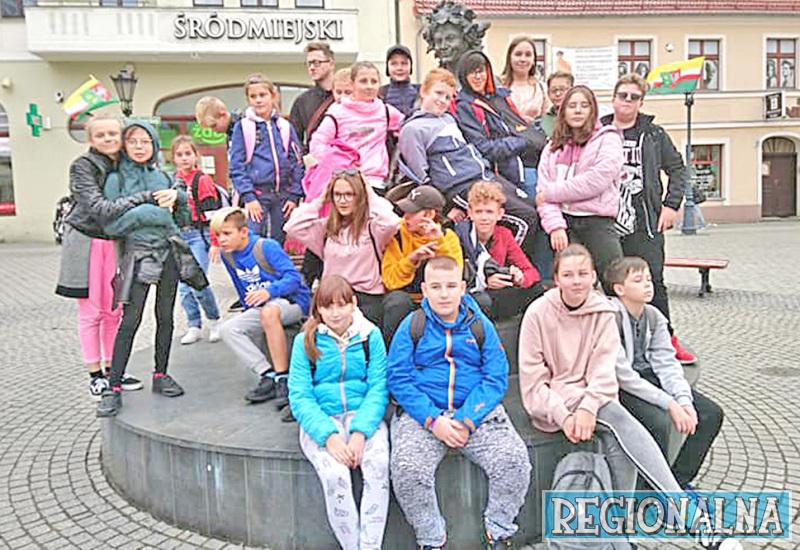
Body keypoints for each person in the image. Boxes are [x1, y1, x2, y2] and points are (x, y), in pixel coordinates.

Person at [388, 255, 531, 549]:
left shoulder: (479, 325)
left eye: (451, 286)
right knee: (407, 469)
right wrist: (433, 420)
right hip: (425, 416)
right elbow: (398, 378)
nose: (444, 294)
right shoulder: (412, 325)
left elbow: (496, 376)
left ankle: (499, 531)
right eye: (436, 287)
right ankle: (431, 538)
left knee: (514, 461)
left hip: (476, 414)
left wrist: (467, 419)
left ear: (463, 288)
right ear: (424, 290)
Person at [518, 244, 684, 497]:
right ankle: (680, 506)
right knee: (621, 422)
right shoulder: (537, 313)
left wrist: (587, 407)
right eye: (568, 275)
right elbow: (533, 383)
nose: (576, 281)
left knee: (620, 434)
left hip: (595, 398)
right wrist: (563, 416)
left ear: (593, 276)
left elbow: (603, 372)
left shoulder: (604, 312)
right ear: (556, 279)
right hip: (555, 400)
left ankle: (624, 517)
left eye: (583, 274)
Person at [288, 275, 390, 550]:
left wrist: (360, 433)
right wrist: (329, 436)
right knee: (335, 475)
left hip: (363, 415)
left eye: (341, 305)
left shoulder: (371, 336)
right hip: (323, 419)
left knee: (378, 466)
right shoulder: (304, 341)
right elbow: (300, 395)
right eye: (327, 306)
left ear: (353, 304)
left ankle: (370, 546)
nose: (335, 313)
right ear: (318, 309)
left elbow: (378, 387)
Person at [398, 67, 541, 262]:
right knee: (526, 219)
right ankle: (502, 270)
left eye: (448, 97)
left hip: (484, 176)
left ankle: (505, 266)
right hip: (461, 186)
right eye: (438, 93)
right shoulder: (413, 129)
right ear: (424, 91)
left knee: (532, 207)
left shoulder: (448, 118)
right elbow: (421, 176)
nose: (443, 100)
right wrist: (446, 209)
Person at [96, 121, 190, 417]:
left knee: (166, 317)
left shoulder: (164, 176)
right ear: (124, 145)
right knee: (130, 320)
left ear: (154, 144)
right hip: (137, 254)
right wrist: (149, 213)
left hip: (168, 251)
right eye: (133, 141)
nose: (139, 146)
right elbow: (110, 225)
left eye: (145, 141)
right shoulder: (115, 179)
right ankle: (113, 387)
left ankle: (161, 374)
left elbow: (182, 220)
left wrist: (180, 198)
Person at [601, 73, 696, 363]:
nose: (627, 101)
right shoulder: (598, 131)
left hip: (645, 222)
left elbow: (678, 169)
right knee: (610, 283)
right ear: (614, 98)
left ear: (641, 102)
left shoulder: (654, 134)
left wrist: (671, 205)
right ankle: (615, 343)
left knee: (651, 282)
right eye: (623, 95)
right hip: (606, 222)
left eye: (634, 97)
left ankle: (666, 339)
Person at [606, 257, 724, 489]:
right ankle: (647, 493)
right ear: (619, 289)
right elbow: (623, 375)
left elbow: (667, 363)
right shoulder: (609, 317)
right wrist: (670, 404)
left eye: (648, 279)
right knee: (659, 423)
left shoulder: (653, 316)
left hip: (648, 378)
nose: (647, 285)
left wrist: (683, 400)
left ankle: (676, 483)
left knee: (710, 414)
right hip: (619, 386)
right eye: (638, 280)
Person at [56, 114, 142, 397]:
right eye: (101, 135)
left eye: (113, 134)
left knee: (114, 310)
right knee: (91, 312)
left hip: (114, 241)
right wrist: (141, 200)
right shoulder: (82, 166)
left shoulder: (126, 165)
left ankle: (113, 368)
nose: (108, 139)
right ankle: (95, 374)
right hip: (87, 240)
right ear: (91, 139)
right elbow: (98, 207)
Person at [212, 207, 311, 404]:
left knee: (269, 312)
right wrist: (249, 309)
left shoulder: (266, 246)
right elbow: (242, 288)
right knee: (228, 329)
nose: (221, 240)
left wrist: (269, 291)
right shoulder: (227, 255)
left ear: (243, 232)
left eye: (227, 234)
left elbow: (293, 278)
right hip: (262, 307)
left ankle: (283, 377)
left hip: (292, 302)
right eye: (218, 235)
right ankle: (267, 374)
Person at [284, 169, 400, 328]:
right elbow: (292, 227)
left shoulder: (373, 227)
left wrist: (369, 193)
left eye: (349, 194)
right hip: (332, 298)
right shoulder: (325, 228)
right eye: (337, 195)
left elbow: (392, 222)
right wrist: (321, 199)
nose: (342, 200)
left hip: (367, 298)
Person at [535, 85, 624, 291]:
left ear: (593, 110)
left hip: (597, 221)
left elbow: (595, 181)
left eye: (584, 105)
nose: (577, 110)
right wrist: (555, 226)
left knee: (615, 281)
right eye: (572, 105)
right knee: (572, 286)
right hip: (564, 222)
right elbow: (542, 189)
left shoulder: (608, 139)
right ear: (563, 111)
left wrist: (551, 193)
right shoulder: (552, 147)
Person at [229, 73, 304, 244]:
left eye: (262, 95)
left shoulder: (285, 127)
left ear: (273, 96)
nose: (258, 100)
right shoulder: (243, 127)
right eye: (253, 96)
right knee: (252, 240)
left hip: (282, 196)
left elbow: (297, 163)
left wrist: (294, 195)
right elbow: (236, 166)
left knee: (279, 241)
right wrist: (248, 197)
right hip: (257, 196)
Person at [381, 186, 463, 339]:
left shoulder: (448, 236)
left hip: (438, 299)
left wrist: (439, 243)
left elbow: (455, 275)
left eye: (412, 213)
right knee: (397, 301)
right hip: (408, 298)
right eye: (405, 211)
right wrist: (411, 260)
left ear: (430, 214)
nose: (405, 217)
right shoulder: (396, 234)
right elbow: (389, 280)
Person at [310, 61, 404, 192]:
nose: (369, 86)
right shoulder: (337, 112)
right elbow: (317, 144)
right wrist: (337, 163)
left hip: (376, 182)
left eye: (374, 81)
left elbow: (408, 129)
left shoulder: (386, 111)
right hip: (346, 183)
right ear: (352, 84)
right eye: (363, 81)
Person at [455, 180, 541, 320]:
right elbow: (456, 278)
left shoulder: (504, 234)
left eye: (489, 212)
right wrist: (484, 281)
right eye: (478, 212)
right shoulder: (459, 235)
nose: (484, 218)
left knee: (538, 289)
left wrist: (518, 278)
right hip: (471, 294)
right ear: (470, 213)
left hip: (496, 295)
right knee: (482, 300)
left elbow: (531, 272)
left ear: (500, 214)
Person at [455, 50, 532, 192]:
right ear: (464, 76)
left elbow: (517, 125)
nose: (478, 77)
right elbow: (483, 148)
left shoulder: (499, 97)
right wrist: (520, 141)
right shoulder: (465, 107)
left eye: (481, 71)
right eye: (472, 72)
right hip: (503, 174)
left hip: (524, 160)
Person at [170, 135, 222, 345]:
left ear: (196, 156)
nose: (184, 158)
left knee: (196, 283)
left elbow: (212, 214)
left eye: (188, 153)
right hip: (179, 236)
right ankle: (194, 325)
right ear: (173, 158)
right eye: (179, 154)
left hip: (198, 235)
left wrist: (215, 242)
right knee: (183, 287)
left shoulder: (202, 180)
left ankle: (214, 320)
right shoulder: (172, 181)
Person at [289, 41, 336, 151]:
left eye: (317, 63)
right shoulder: (302, 101)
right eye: (309, 64)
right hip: (315, 158)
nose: (312, 67)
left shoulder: (348, 95)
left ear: (331, 64)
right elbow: (294, 139)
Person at [500, 37, 551, 123]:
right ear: (509, 58)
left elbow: (548, 121)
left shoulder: (542, 89)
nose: (523, 59)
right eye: (518, 54)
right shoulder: (498, 86)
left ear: (534, 60)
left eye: (528, 55)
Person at [379, 44, 419, 118]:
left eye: (404, 63)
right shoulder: (380, 94)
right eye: (394, 64)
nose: (399, 68)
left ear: (410, 67)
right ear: (387, 67)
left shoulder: (421, 91)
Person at [539, 71, 574, 138]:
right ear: (548, 93)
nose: (558, 94)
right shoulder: (543, 121)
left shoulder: (579, 116)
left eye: (562, 89)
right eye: (554, 90)